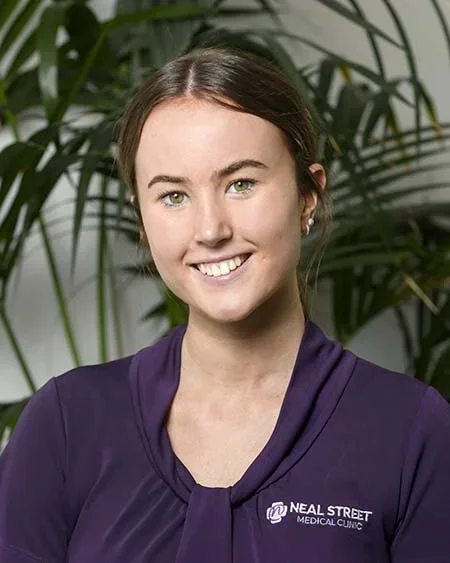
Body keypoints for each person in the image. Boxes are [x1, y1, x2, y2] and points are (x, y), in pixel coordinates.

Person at [0, 46, 449, 563]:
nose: (210, 230)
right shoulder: (66, 425)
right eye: (173, 196)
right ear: (142, 220)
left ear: (309, 194)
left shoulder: (411, 431)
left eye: (241, 183)